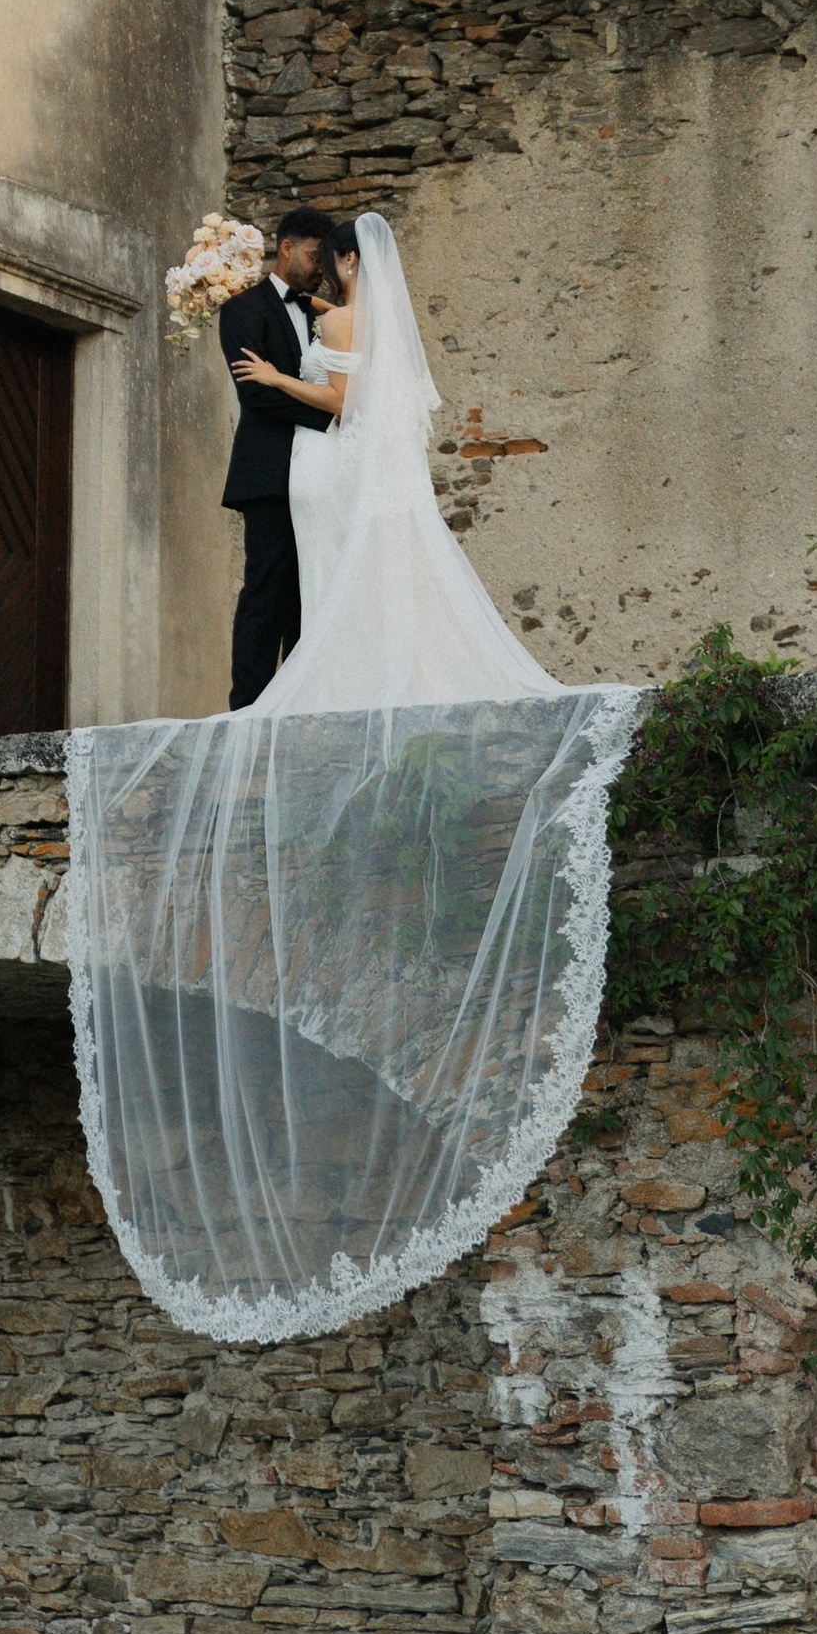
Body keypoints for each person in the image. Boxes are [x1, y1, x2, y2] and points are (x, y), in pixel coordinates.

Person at [67, 206, 643, 1342]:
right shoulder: (266, 308)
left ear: (327, 257)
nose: (314, 271)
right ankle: (275, 697)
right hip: (295, 472)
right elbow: (290, 400)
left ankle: (313, 692)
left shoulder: (339, 317)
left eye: (317, 259)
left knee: (326, 588)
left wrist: (294, 385)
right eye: (307, 258)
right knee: (283, 595)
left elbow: (346, 402)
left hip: (335, 462)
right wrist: (287, 386)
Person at [216, 206, 336, 707]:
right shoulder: (243, 309)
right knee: (266, 590)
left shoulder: (321, 314)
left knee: (310, 591)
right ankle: (248, 708)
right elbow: (256, 394)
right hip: (267, 473)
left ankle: (298, 702)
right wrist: (330, 419)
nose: (321, 269)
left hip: (318, 474)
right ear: (286, 248)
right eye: (314, 256)